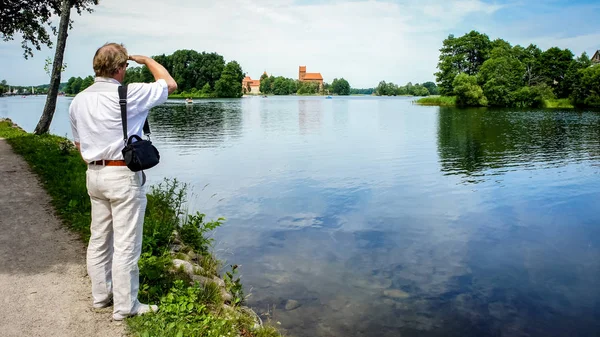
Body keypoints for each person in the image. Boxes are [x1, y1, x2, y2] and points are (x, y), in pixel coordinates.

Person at [69, 43, 177, 321]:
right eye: (126, 65)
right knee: (127, 243)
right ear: (120, 67)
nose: (127, 70)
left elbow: (80, 147)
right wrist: (147, 59)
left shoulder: (78, 100)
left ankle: (100, 297)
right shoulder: (129, 92)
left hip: (94, 174)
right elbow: (169, 84)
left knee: (99, 239)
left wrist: (98, 165)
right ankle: (126, 307)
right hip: (123, 175)